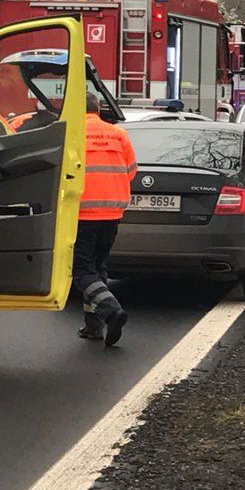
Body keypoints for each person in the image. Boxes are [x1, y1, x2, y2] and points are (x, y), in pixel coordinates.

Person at [74, 93, 136, 346]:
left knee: (82, 271)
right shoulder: (118, 133)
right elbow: (131, 170)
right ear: (98, 109)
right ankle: (93, 326)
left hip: (82, 212)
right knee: (98, 267)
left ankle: (111, 311)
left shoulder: (73, 134)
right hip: (112, 212)